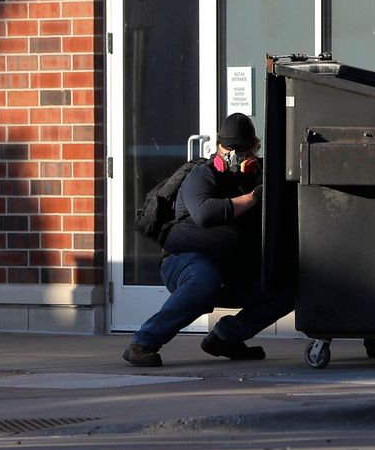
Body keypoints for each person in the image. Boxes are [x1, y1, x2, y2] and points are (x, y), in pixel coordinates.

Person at [123, 113, 296, 367]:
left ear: (255, 147)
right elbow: (206, 213)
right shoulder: (203, 174)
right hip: (184, 262)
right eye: (229, 147)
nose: (235, 154)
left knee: (289, 287)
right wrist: (254, 198)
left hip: (234, 271)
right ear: (218, 147)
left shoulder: (265, 177)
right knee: (205, 280)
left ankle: (227, 337)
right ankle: (143, 342)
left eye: (242, 148)